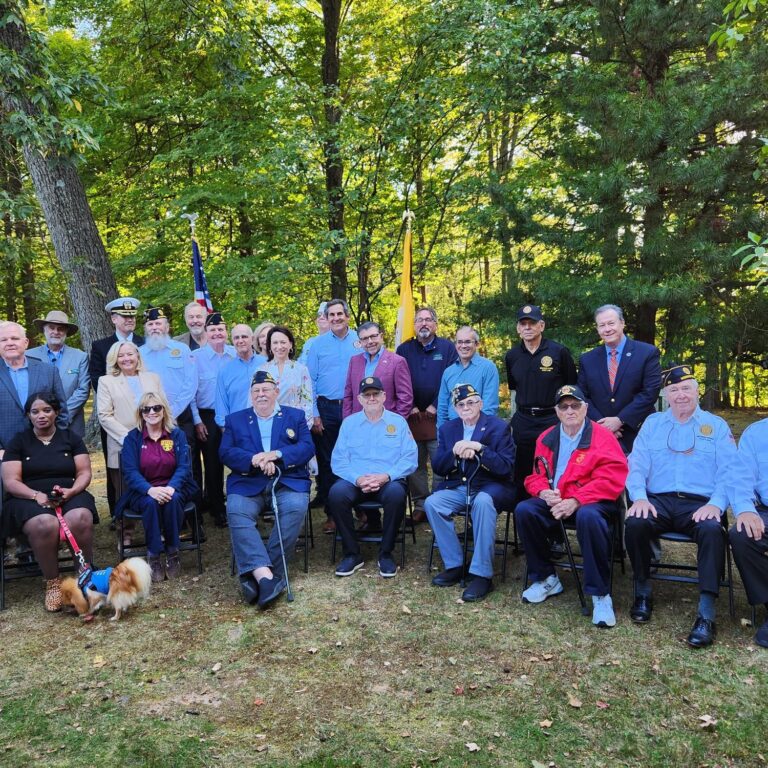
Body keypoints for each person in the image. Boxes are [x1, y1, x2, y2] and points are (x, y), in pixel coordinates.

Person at [625, 365, 740, 648]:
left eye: (686, 388)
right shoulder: (652, 424)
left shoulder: (716, 426)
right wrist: (639, 496)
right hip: (658, 500)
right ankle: (642, 592)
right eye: (673, 390)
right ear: (665, 394)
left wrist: (716, 504)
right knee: (636, 522)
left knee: (713, 531)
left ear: (697, 391)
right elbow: (636, 465)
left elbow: (730, 471)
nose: (680, 395)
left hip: (700, 503)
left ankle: (706, 613)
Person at [516, 385, 628, 627]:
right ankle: (546, 577)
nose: (570, 410)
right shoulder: (546, 436)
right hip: (556, 500)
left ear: (585, 408)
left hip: (593, 501)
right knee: (525, 510)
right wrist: (543, 492)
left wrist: (576, 499)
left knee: (588, 517)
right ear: (556, 411)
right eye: (564, 406)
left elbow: (613, 478)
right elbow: (536, 474)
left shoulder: (602, 436)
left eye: (575, 405)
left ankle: (600, 594)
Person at [219, 371, 314, 608]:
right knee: (236, 510)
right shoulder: (235, 420)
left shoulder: (295, 416)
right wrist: (255, 459)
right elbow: (226, 452)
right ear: (251, 395)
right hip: (249, 481)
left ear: (276, 391)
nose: (261, 394)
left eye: (265, 390)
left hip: (287, 480)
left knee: (296, 506)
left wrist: (277, 455)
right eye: (256, 391)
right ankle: (268, 578)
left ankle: (257, 575)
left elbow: (306, 447)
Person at [1, 392, 97, 611]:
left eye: (47, 410)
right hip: (27, 497)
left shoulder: (71, 438)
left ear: (57, 412)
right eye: (35, 412)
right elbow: (11, 481)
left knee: (80, 516)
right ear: (28, 415)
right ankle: (53, 583)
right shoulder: (18, 441)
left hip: (67, 492)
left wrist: (72, 491)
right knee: (45, 523)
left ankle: (84, 577)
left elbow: (84, 472)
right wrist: (36, 496)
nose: (41, 416)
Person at [425, 383, 516, 601]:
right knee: (432, 503)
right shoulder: (448, 429)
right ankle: (456, 565)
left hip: (491, 486)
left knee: (483, 503)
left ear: (480, 404)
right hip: (459, 486)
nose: (466, 407)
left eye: (471, 402)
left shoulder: (498, 427)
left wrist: (480, 449)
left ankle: (482, 575)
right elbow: (438, 467)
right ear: (456, 409)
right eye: (461, 404)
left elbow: (505, 467)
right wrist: (455, 453)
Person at [329, 376, 417, 578]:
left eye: (375, 394)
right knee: (336, 493)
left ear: (384, 396)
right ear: (359, 399)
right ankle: (352, 554)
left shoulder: (398, 422)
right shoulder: (349, 424)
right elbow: (338, 460)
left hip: (387, 481)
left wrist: (386, 476)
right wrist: (358, 479)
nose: (371, 398)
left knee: (396, 495)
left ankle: (386, 553)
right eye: (366, 395)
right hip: (356, 481)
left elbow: (410, 458)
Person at [115, 391, 197, 583]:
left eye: (156, 407)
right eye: (146, 409)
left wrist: (171, 487)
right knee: (151, 503)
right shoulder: (132, 438)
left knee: (173, 499)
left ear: (164, 410)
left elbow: (184, 467)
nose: (152, 412)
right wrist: (150, 490)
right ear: (141, 413)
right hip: (143, 490)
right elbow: (130, 472)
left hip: (174, 487)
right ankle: (154, 556)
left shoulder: (177, 435)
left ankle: (172, 552)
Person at [504, 305, 577, 498]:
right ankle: (524, 518)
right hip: (524, 421)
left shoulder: (558, 352)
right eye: (523, 323)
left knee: (551, 471)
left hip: (552, 420)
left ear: (542, 325)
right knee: (523, 473)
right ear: (518, 328)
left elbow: (572, 387)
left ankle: (551, 521)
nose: (527, 327)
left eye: (532, 323)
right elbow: (514, 386)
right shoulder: (512, 356)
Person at [396, 306, 459, 522]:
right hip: (411, 416)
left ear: (435, 324)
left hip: (439, 415)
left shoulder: (448, 348)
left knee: (441, 461)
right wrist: (410, 404)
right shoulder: (404, 349)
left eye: (428, 319)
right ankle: (421, 505)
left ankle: (439, 503)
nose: (423, 323)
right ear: (413, 325)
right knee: (415, 464)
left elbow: (451, 379)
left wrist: (435, 404)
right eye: (419, 320)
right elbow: (399, 380)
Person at [306, 298, 362, 533]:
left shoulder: (360, 340)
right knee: (329, 463)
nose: (336, 318)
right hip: (326, 409)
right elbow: (309, 382)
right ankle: (333, 514)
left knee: (357, 458)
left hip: (356, 407)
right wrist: (315, 414)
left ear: (347, 316)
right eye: (332, 315)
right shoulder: (317, 345)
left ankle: (362, 509)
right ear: (326, 319)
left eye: (340, 314)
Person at [96, 341, 164, 529]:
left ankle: (158, 531)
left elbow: (163, 407)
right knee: (126, 493)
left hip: (155, 443)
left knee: (155, 489)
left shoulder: (153, 378)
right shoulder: (106, 381)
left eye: (130, 354)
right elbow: (104, 415)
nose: (126, 359)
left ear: (137, 356)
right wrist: (131, 438)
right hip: (122, 444)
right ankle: (126, 533)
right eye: (121, 355)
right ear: (115, 359)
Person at [577, 304, 661, 452]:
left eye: (611, 323)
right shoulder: (587, 359)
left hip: (639, 432)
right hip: (599, 435)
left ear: (622, 323)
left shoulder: (647, 353)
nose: (607, 329)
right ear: (597, 329)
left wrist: (620, 420)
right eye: (602, 325)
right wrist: (602, 425)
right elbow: (583, 396)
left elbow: (650, 392)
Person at [89, 297, 144, 514]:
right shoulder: (101, 346)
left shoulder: (145, 343)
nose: (130, 319)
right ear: (114, 318)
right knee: (115, 466)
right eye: (124, 316)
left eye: (132, 316)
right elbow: (96, 377)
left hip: (146, 416)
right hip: (115, 416)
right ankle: (117, 512)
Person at [139, 307, 199, 481]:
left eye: (158, 323)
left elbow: (191, 383)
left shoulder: (182, 350)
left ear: (167, 327)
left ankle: (194, 503)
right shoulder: (139, 353)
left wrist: (172, 411)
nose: (154, 327)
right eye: (150, 324)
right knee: (156, 458)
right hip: (150, 416)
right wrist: (155, 412)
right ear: (146, 329)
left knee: (188, 456)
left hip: (180, 414)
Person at [191, 313, 235, 527]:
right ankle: (217, 509)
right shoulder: (195, 358)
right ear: (206, 334)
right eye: (212, 330)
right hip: (207, 415)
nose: (217, 333)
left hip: (234, 414)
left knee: (239, 459)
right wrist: (197, 420)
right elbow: (190, 393)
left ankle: (240, 504)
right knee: (213, 463)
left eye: (221, 329)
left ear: (226, 332)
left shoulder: (236, 355)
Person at [0, 321, 68, 457]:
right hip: (4, 453)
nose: (10, 343)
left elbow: (61, 411)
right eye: (3, 339)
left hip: (45, 450)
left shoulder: (48, 371)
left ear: (25, 342)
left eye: (14, 338)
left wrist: (54, 443)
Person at [728, 418, 768, 648]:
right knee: (742, 534)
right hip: (765, 508)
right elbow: (740, 477)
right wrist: (744, 509)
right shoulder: (756, 433)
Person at [28, 310, 90, 438]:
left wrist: (62, 415)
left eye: (60, 329)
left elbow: (83, 390)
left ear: (66, 332)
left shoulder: (80, 356)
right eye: (51, 327)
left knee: (71, 457)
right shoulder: (29, 356)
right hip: (36, 424)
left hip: (71, 424)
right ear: (44, 330)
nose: (55, 332)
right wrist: (43, 414)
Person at [342, 321, 413, 420]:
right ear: (360, 342)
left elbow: (405, 398)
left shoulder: (397, 362)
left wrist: (394, 425)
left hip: (386, 424)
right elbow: (348, 395)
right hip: (358, 424)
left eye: (373, 336)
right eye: (365, 339)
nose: (370, 341)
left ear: (381, 336)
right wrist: (348, 422)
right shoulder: (354, 361)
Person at [437, 326, 499, 428]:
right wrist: (442, 435)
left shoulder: (488, 368)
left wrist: (478, 433)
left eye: (468, 342)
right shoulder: (448, 372)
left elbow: (489, 407)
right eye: (460, 342)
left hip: (479, 431)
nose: (463, 345)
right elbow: (442, 409)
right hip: (453, 431)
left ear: (477, 344)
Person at [258, 326, 313, 427]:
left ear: (290, 344)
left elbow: (308, 402)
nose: (279, 347)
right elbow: (254, 402)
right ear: (270, 346)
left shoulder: (301, 370)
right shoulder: (261, 371)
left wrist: (301, 426)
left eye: (283, 342)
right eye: (275, 343)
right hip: (268, 425)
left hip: (295, 425)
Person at [215, 324, 266, 428]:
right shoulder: (225, 372)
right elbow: (221, 410)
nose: (240, 340)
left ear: (252, 339)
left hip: (266, 426)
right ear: (232, 341)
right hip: (238, 430)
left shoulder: (267, 365)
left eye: (244, 337)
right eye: (236, 338)